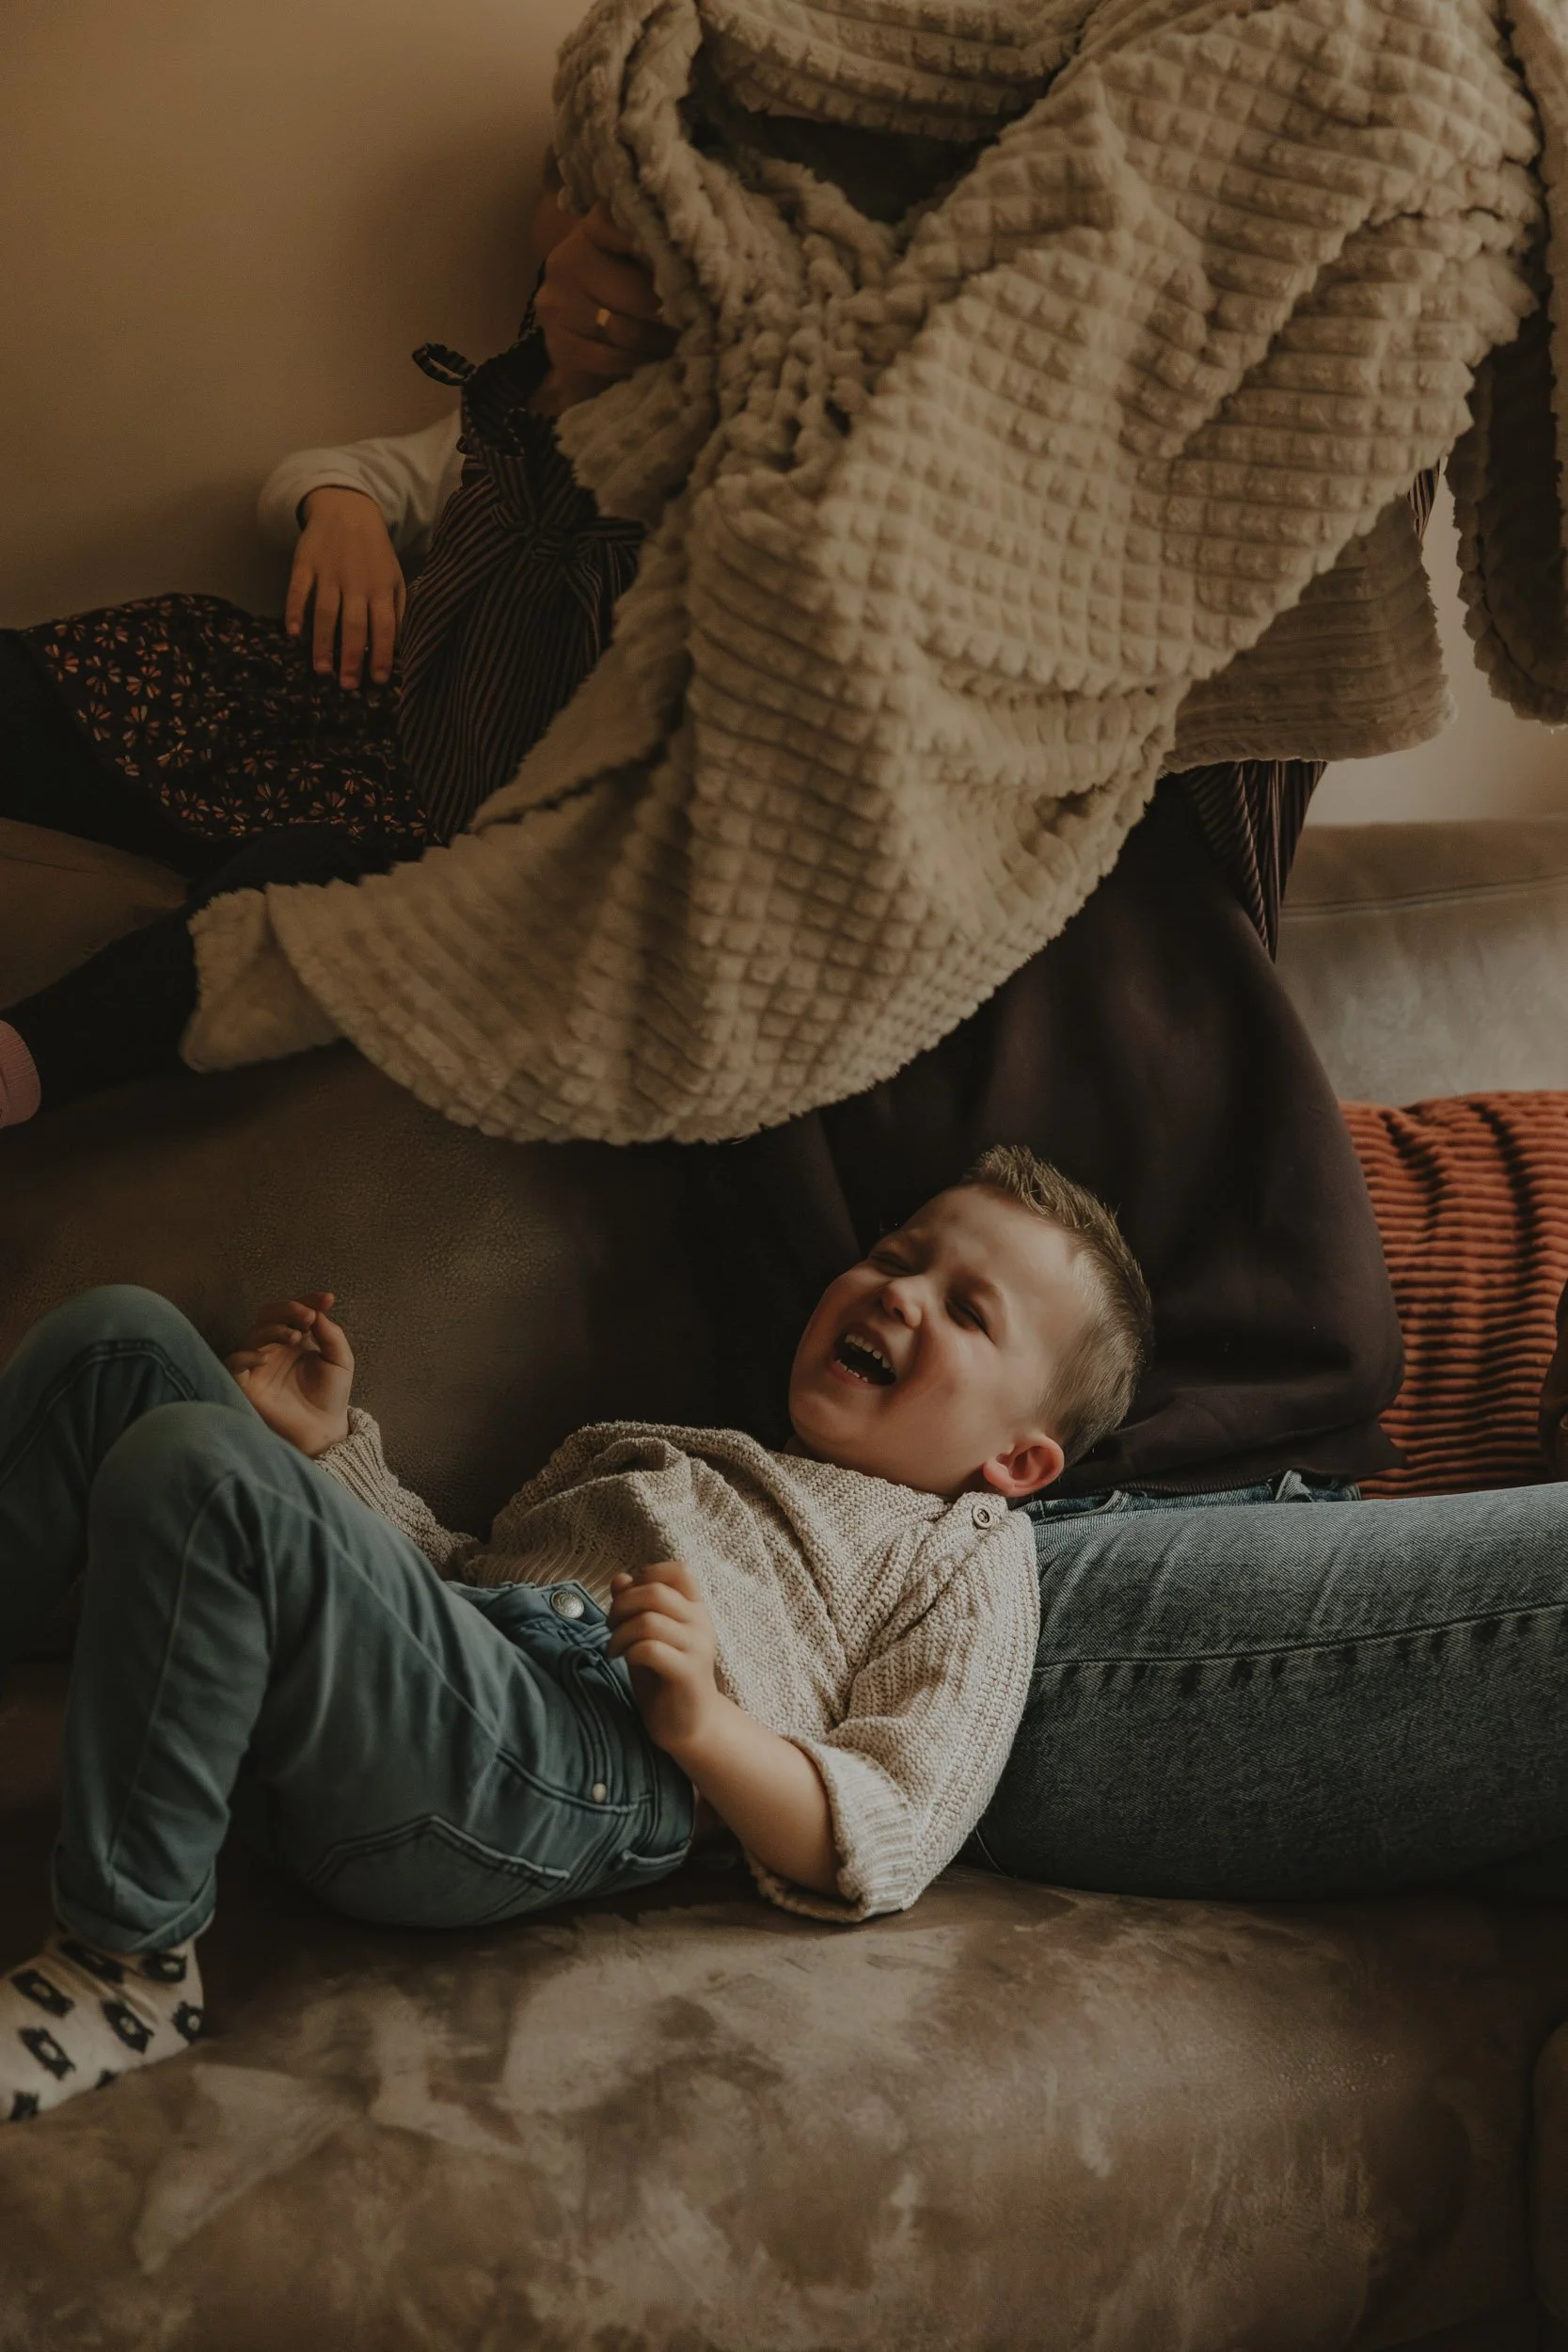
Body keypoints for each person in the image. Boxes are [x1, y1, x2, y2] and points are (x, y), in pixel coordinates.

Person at [0, 1145, 1152, 2122]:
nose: (900, 1294)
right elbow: (453, 1579)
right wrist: (325, 1450)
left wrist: (704, 1725)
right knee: (121, 1342)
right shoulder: (661, 1453)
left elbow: (893, 1824)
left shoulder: (962, 1545)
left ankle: (123, 1963)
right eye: (896, 1258)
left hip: (582, 1765)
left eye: (964, 1310)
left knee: (190, 1467)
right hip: (456, 1682)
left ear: (1018, 1460)